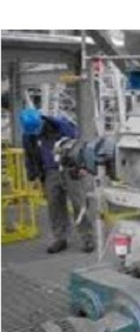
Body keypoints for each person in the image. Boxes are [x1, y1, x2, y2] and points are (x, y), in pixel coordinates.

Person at [19, 108, 95, 254]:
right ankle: (60, 237)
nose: (36, 133)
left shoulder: (61, 126)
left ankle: (87, 237)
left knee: (78, 202)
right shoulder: (28, 135)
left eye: (37, 129)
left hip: (70, 168)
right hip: (49, 172)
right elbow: (29, 156)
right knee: (54, 205)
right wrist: (32, 176)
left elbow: (79, 145)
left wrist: (83, 165)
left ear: (41, 120)